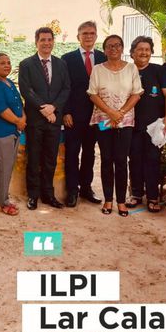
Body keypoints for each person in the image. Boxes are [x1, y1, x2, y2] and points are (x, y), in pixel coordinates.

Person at [87, 35, 143, 216]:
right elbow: (93, 94)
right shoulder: (98, 69)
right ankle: (108, 200)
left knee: (121, 160)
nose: (114, 49)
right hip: (103, 121)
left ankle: (121, 201)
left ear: (122, 48)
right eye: (109, 46)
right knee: (106, 160)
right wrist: (110, 112)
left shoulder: (131, 68)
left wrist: (121, 112)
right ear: (104, 50)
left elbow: (136, 94)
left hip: (125, 122)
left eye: (117, 45)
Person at [19, 27, 71, 210]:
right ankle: (33, 196)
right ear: (36, 42)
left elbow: (66, 88)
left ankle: (48, 195)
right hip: (35, 120)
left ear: (53, 42)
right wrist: (44, 108)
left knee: (50, 159)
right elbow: (26, 90)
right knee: (33, 158)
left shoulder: (61, 64)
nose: (46, 43)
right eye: (43, 40)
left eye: (49, 39)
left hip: (54, 120)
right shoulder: (26, 64)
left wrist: (53, 108)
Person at [127, 36, 166, 213]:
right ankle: (136, 194)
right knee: (134, 159)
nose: (144, 52)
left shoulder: (159, 71)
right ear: (132, 53)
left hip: (155, 125)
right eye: (140, 49)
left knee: (153, 160)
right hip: (131, 125)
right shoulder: (127, 70)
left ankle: (153, 196)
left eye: (147, 49)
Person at [61, 21, 105, 207]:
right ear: (78, 37)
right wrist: (66, 112)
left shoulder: (103, 57)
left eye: (92, 33)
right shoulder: (67, 59)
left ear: (96, 36)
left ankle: (86, 188)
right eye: (85, 33)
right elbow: (64, 87)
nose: (88, 36)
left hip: (96, 115)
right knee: (72, 153)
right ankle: (72, 190)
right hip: (73, 115)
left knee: (90, 153)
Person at [0, 53, 26, 216]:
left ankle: (4, 199)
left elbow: (19, 104)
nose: (7, 65)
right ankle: (1, 202)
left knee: (8, 168)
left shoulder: (9, 83)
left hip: (14, 131)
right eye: (2, 63)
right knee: (2, 169)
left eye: (8, 62)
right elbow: (0, 108)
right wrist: (18, 121)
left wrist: (23, 119)